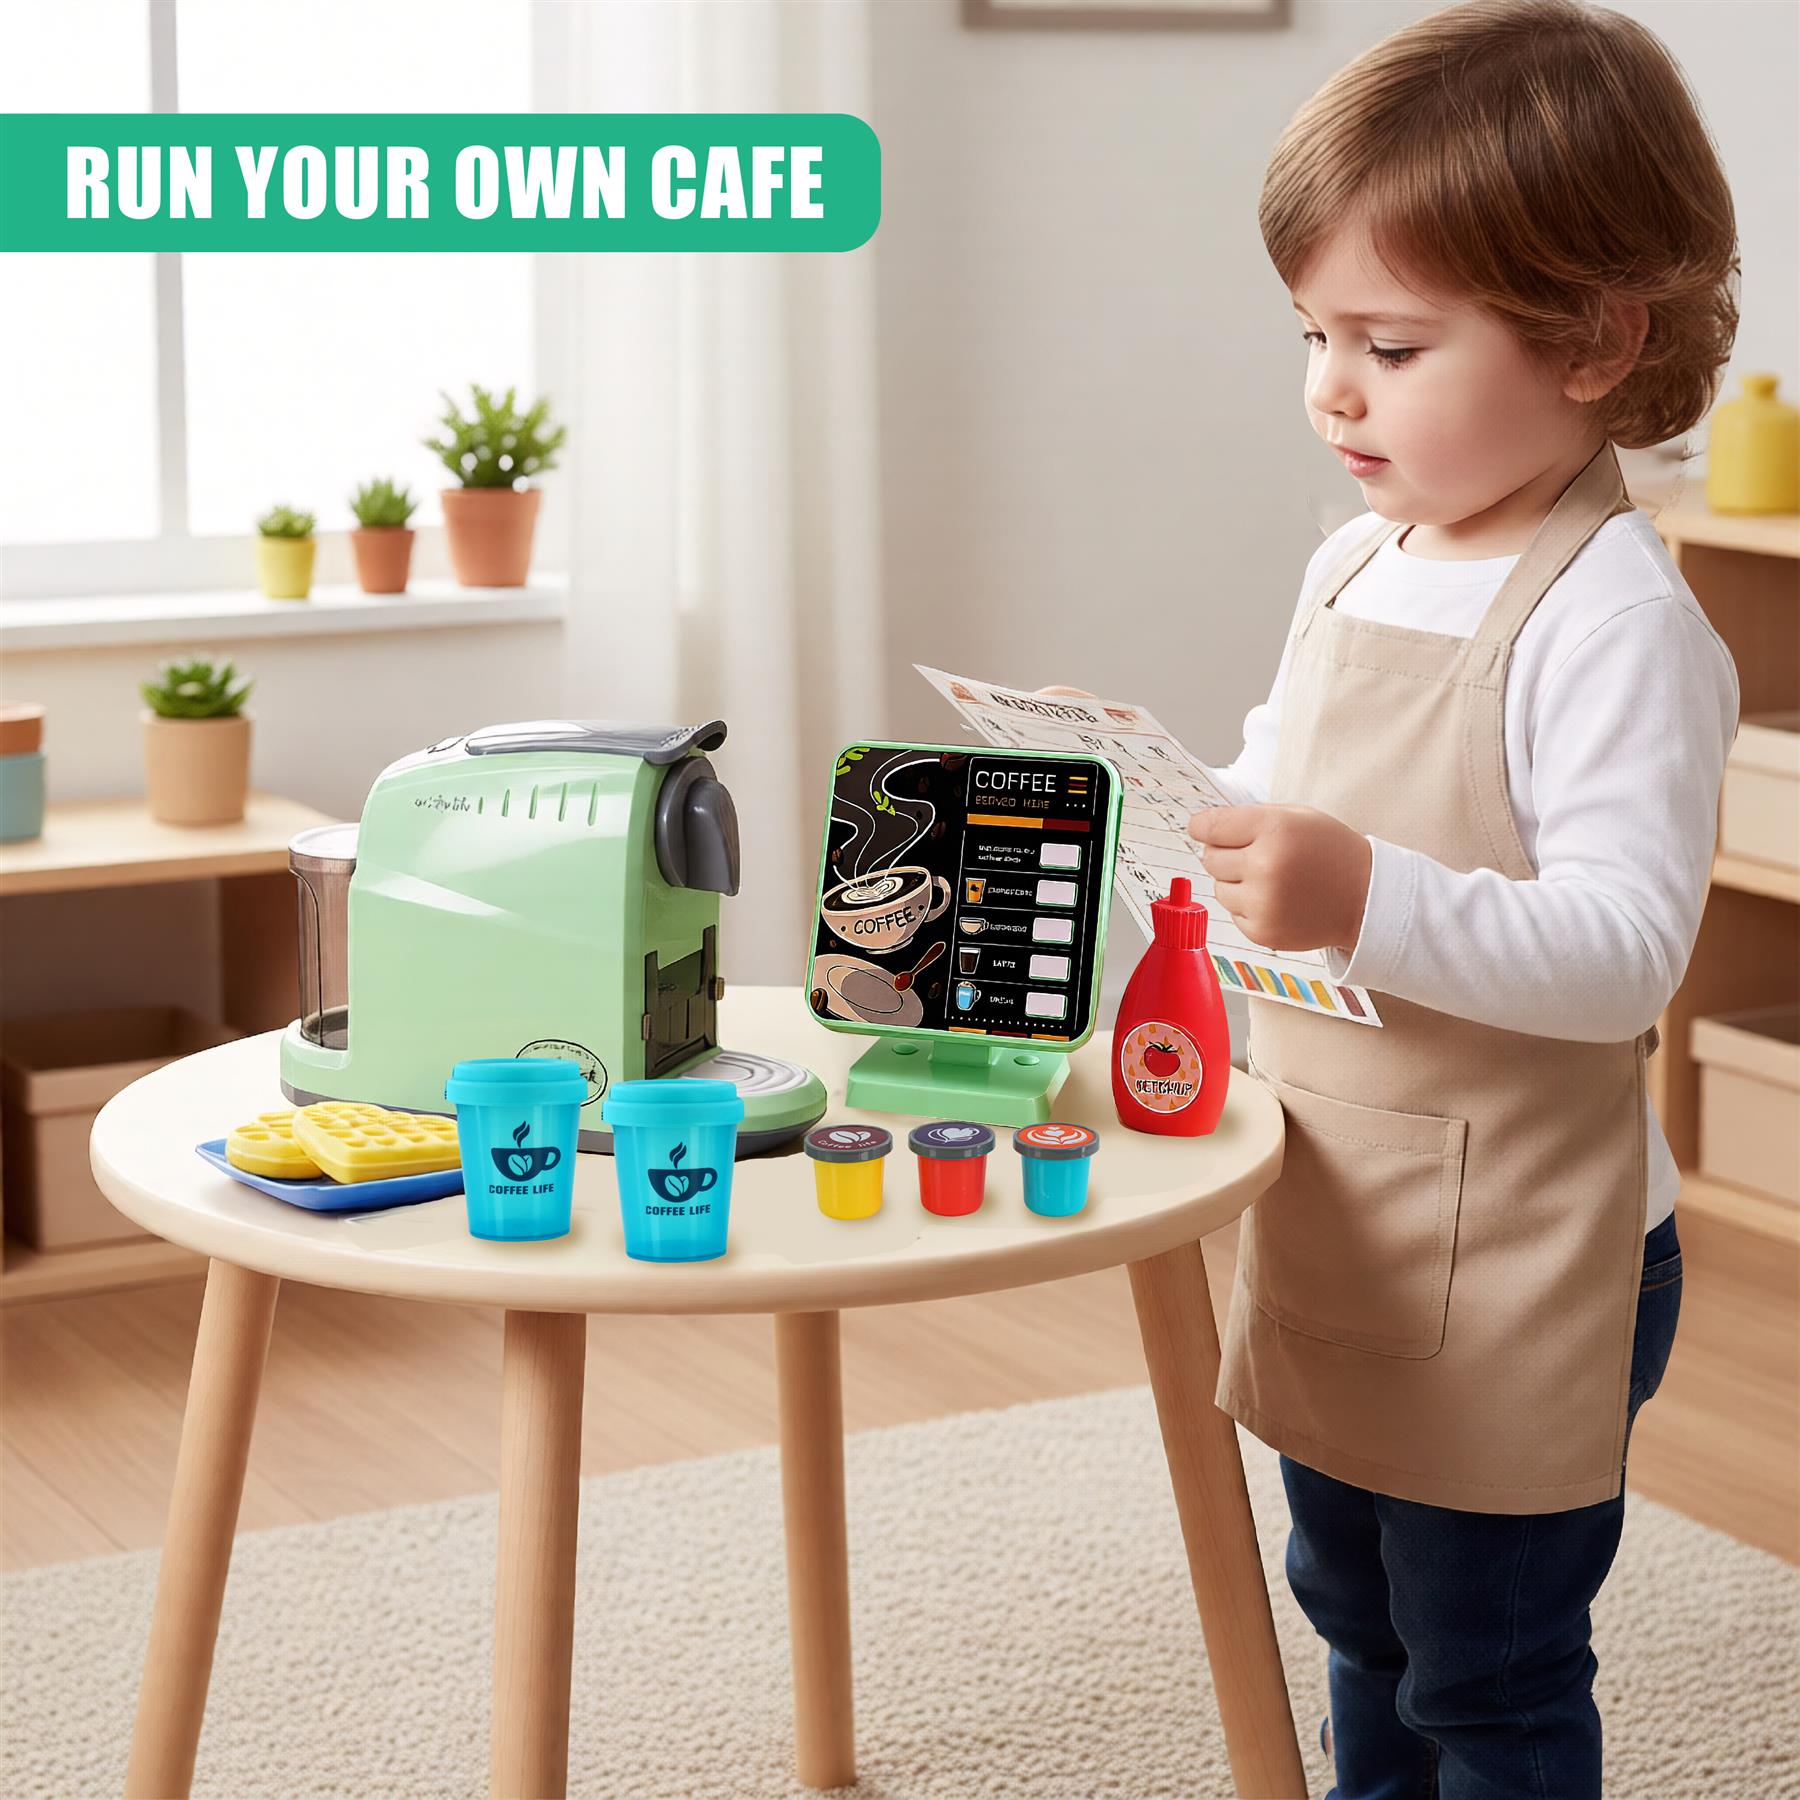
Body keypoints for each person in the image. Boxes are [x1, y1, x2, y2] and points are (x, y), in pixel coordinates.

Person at [1058, 4, 1738, 1793]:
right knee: (1349, 1600)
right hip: (1343, 1193)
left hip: (1532, 1248)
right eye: (1313, 333)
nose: (1330, 387)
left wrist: (1358, 892)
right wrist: (1170, 842)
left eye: (1393, 342)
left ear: (1596, 339)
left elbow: (1620, 957)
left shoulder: (1616, 621)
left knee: (1489, 1665)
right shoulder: (1355, 558)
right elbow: (1273, 798)